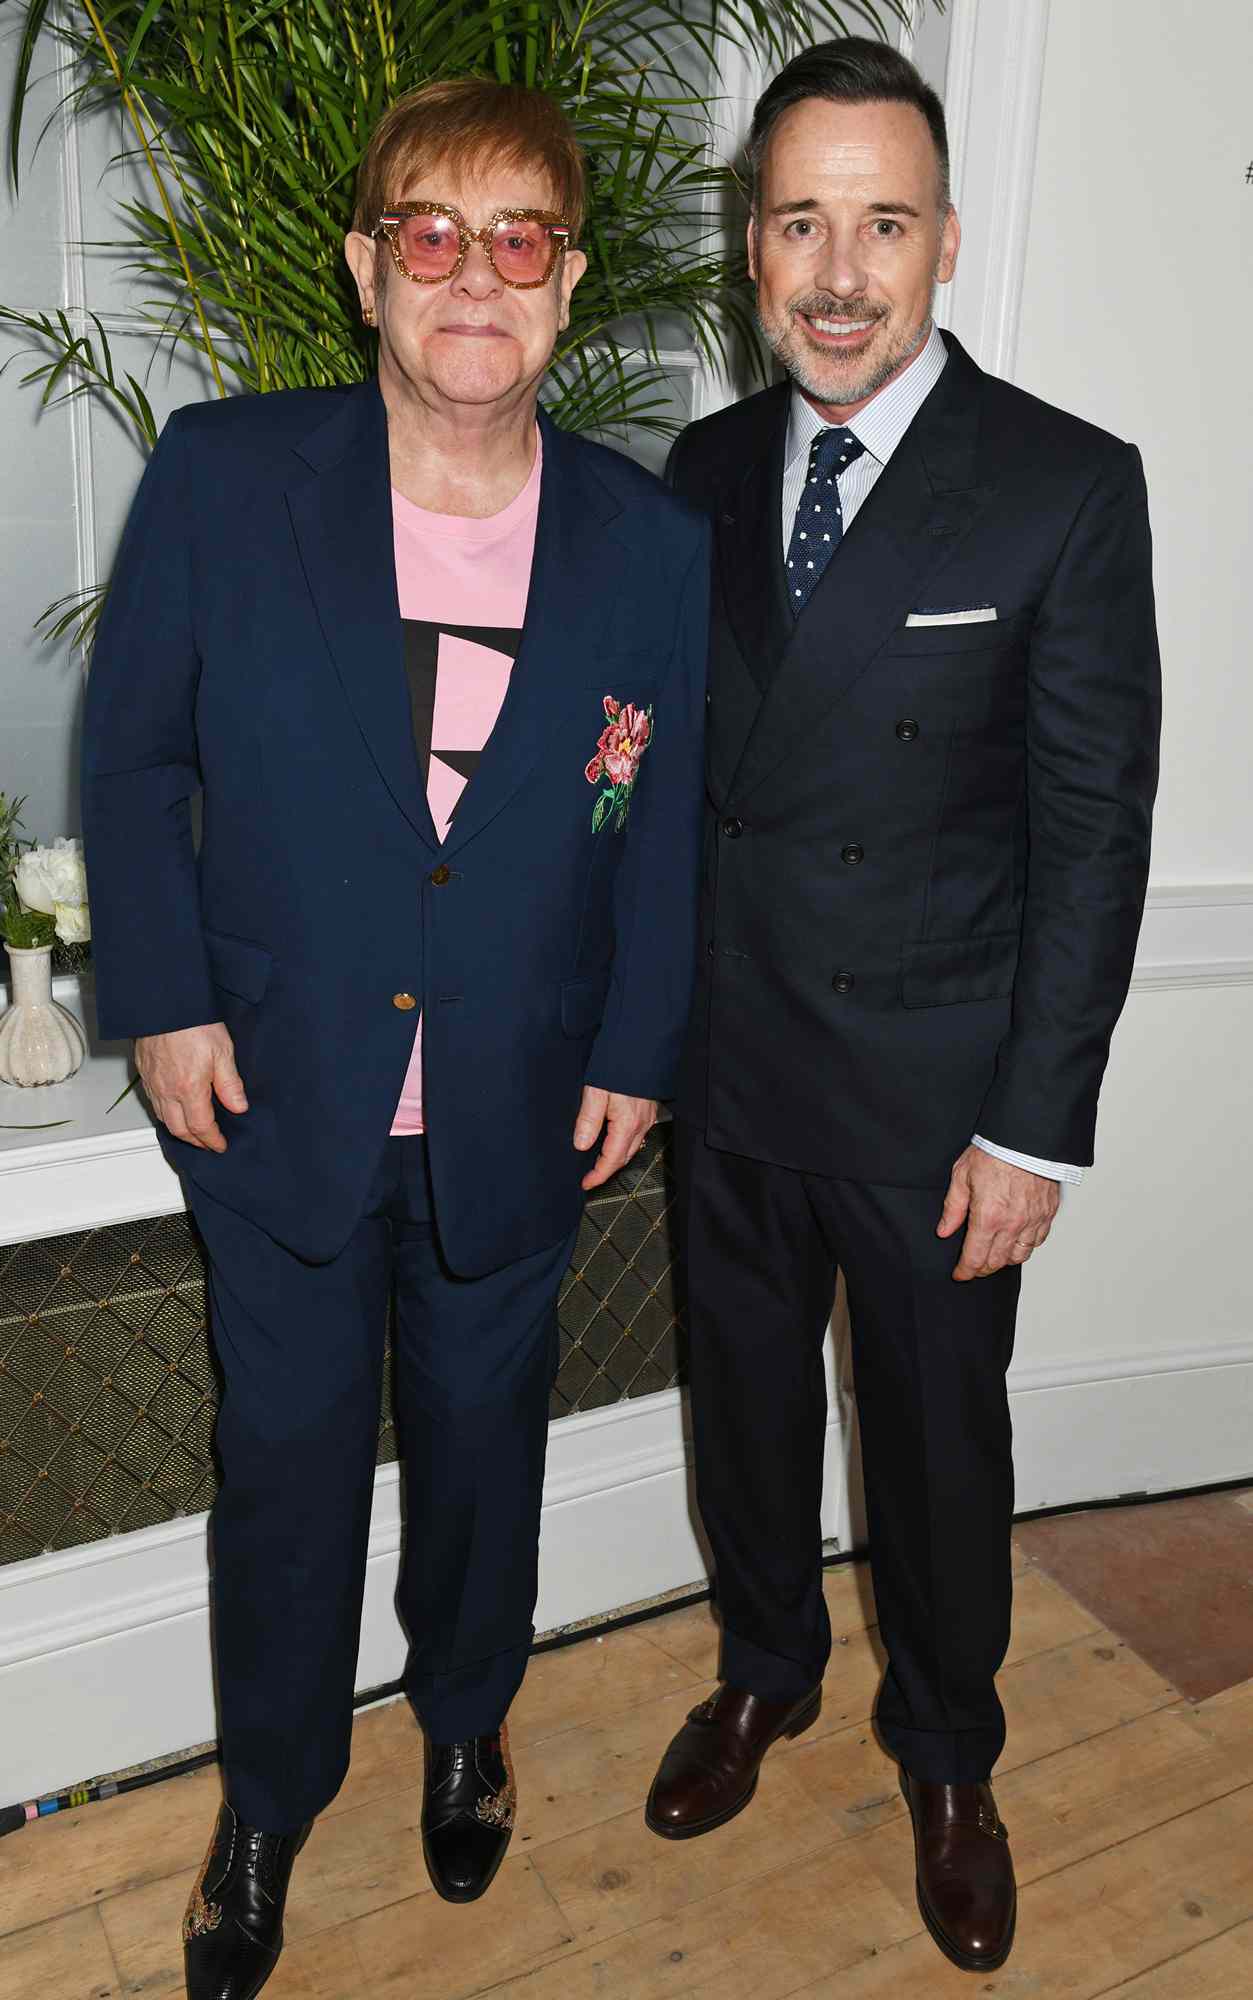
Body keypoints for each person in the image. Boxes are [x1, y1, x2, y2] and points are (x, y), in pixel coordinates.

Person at [81, 77, 708, 2000]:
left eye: (517, 241)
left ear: (567, 282)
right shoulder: (219, 473)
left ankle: (465, 1727)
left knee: (479, 1453)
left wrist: (636, 1040)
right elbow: (134, 756)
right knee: (280, 1466)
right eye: (428, 234)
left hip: (519, 1107)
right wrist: (167, 1003)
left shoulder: (643, 541)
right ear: (368, 269)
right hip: (277, 1097)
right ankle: (266, 1802)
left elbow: (659, 818)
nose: (471, 277)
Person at [645, 37, 1160, 1975]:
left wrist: (1036, 1125)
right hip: (735, 1070)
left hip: (944, 1105)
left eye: (880, 223)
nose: (838, 271)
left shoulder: (1061, 486)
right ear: (752, 244)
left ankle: (951, 1756)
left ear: (944, 242)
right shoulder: (696, 478)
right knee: (749, 1417)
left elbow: (1093, 831)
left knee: (940, 1451)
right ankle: (767, 1668)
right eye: (801, 221)